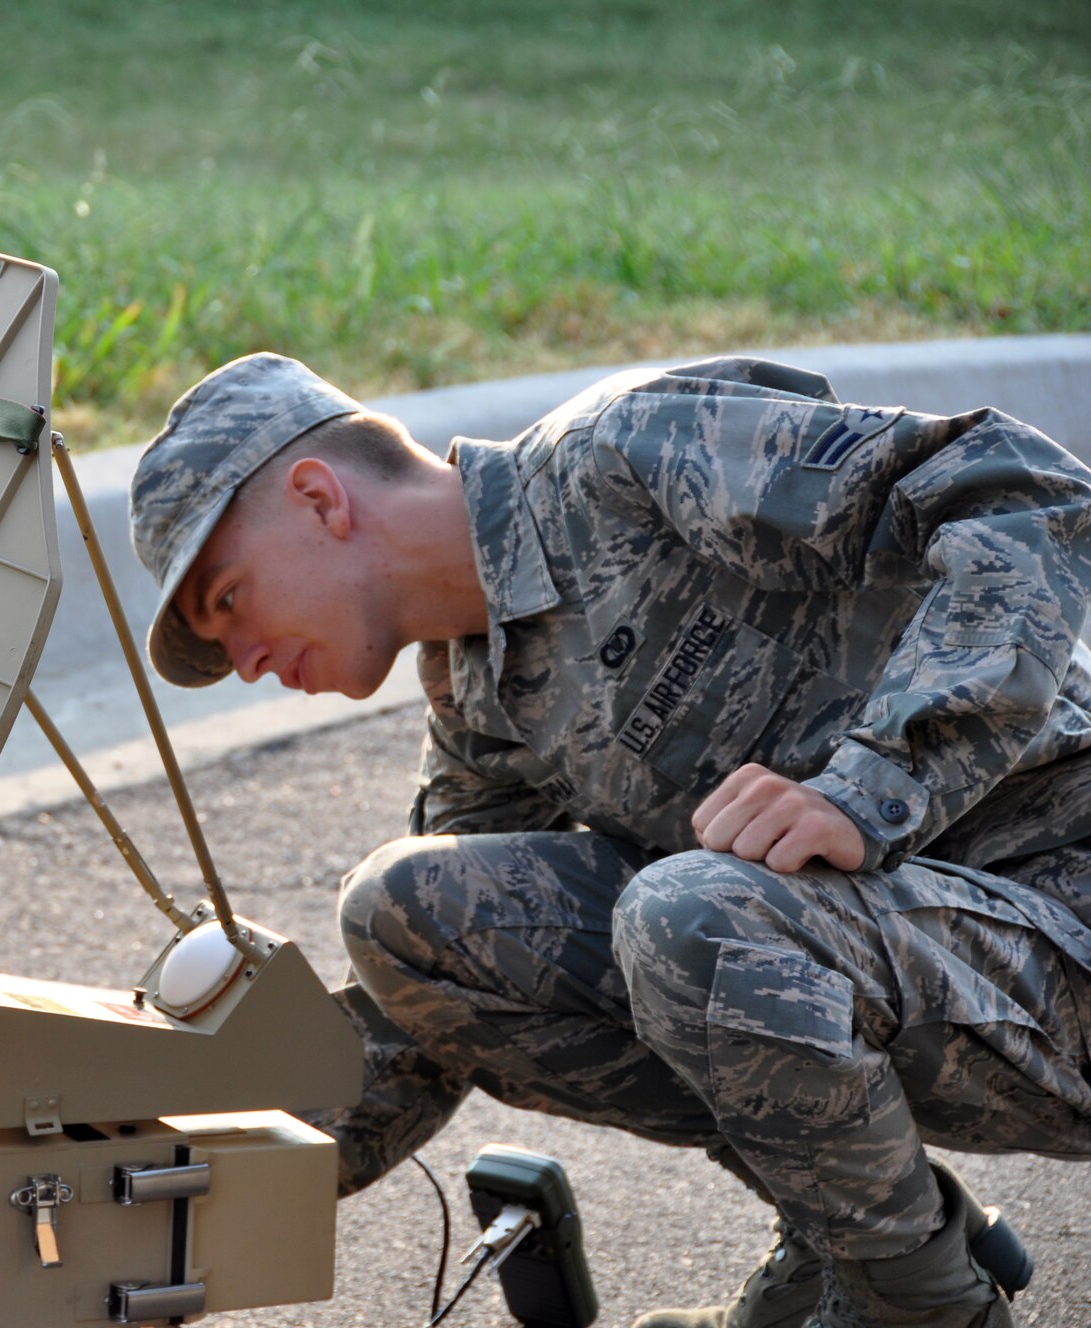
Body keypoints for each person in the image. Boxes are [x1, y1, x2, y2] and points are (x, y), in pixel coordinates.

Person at [127, 351, 1091, 1328]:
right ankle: (866, 1245)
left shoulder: (626, 454)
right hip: (939, 978)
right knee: (405, 913)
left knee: (685, 913)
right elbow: (419, 1010)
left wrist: (871, 782)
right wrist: (153, 1177)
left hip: (1064, 933)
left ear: (318, 498)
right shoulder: (478, 698)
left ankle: (916, 1309)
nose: (242, 660)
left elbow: (1019, 488)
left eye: (228, 599)